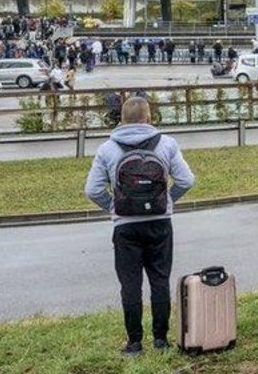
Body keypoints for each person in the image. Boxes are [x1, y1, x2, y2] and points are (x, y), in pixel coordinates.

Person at [84, 96, 195, 356]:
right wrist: (167, 200)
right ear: (149, 118)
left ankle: (134, 343)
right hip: (159, 223)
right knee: (159, 280)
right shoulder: (167, 144)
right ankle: (160, 340)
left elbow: (92, 190)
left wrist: (113, 206)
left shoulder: (107, 149)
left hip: (125, 226)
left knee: (130, 284)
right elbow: (186, 180)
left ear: (121, 120)